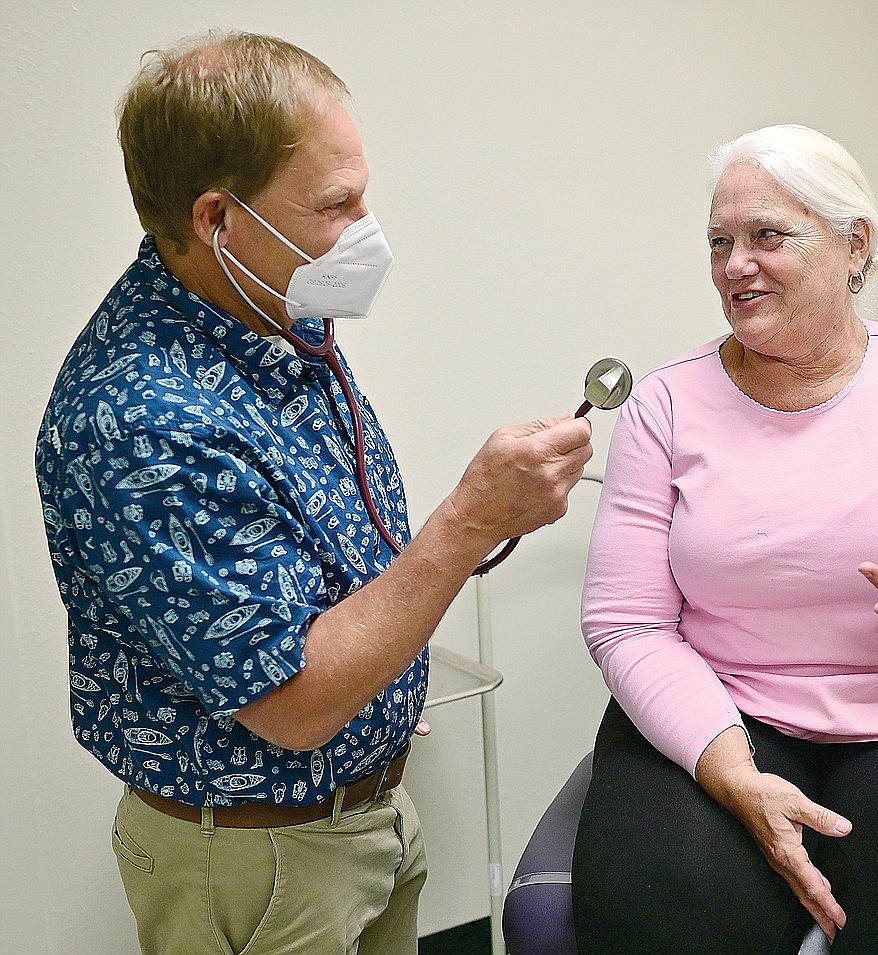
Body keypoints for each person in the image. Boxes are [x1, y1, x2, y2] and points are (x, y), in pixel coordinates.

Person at [35, 31, 592, 955]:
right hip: (263, 867)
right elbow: (291, 701)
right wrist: (468, 522)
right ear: (218, 218)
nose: (367, 226)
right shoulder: (143, 422)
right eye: (336, 203)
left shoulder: (264, 308)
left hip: (364, 816)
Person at [572, 124, 878, 954]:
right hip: (725, 712)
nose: (736, 264)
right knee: (657, 924)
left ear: (855, 245)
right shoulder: (665, 403)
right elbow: (627, 623)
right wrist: (732, 773)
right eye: (719, 242)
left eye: (767, 235)